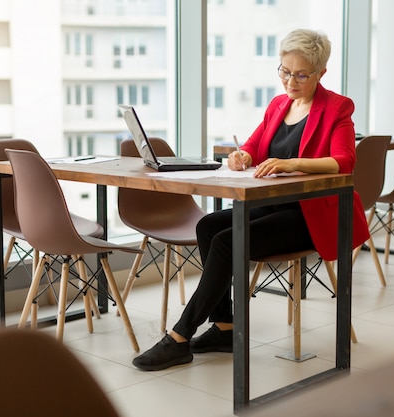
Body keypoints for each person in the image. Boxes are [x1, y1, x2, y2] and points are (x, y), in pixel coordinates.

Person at [132, 28, 370, 371]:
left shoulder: (337, 107)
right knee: (208, 226)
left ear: (321, 73)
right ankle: (226, 327)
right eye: (285, 71)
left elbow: (345, 161)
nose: (291, 81)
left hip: (310, 214)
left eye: (301, 74)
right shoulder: (278, 105)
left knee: (228, 242)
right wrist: (242, 155)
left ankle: (180, 336)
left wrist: (292, 163)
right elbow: (255, 145)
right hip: (272, 205)